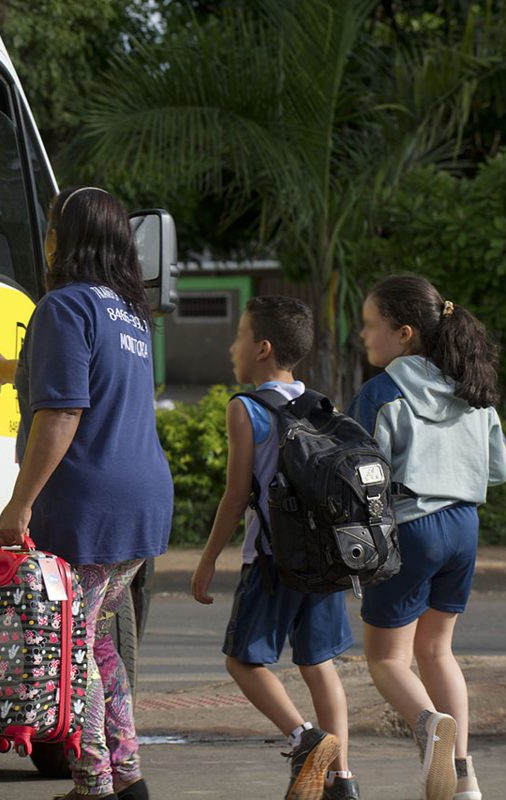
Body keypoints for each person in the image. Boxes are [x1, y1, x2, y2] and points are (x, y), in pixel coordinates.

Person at [0, 186, 173, 800]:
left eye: (49, 228)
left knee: (68, 650)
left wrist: (19, 503)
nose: (45, 241)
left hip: (89, 508)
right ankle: (128, 776)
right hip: (139, 504)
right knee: (93, 643)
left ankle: (94, 784)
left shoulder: (62, 308)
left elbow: (61, 412)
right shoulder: (130, 315)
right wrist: (14, 370)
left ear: (65, 239)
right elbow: (90, 380)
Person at [348, 275, 506, 800]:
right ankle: (464, 778)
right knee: (438, 652)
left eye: (371, 325)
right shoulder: (473, 390)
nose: (363, 335)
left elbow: (357, 473)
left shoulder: (381, 394)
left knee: (387, 660)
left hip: (410, 530)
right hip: (464, 527)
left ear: (404, 333)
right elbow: (500, 469)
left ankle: (430, 725)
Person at [190, 296, 360, 800]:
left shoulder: (246, 408)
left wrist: (207, 560)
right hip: (325, 559)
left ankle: (304, 739)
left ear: (262, 348)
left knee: (243, 661)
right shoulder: (324, 405)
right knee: (318, 664)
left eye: (239, 336)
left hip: (271, 561)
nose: (232, 347)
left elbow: (236, 495)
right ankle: (341, 780)